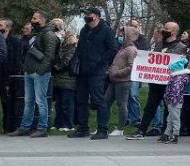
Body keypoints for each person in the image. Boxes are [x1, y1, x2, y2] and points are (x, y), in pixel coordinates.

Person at [128, 21, 185, 140]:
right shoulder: (159, 44)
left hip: (170, 83)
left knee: (169, 108)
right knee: (150, 106)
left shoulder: (181, 47)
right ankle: (142, 130)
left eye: (167, 28)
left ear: (174, 31)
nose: (164, 30)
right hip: (156, 82)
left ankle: (166, 132)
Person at [70, 7, 118, 140]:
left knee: (99, 100)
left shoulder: (106, 30)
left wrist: (99, 61)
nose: (86, 17)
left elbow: (113, 50)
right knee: (81, 100)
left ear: (96, 16)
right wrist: (75, 61)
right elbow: (79, 48)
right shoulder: (84, 30)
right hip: (82, 71)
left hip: (97, 71)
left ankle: (102, 129)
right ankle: (83, 128)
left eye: (88, 14)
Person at [13, 11, 59, 137]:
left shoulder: (49, 34)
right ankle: (25, 127)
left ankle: (42, 128)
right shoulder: (36, 33)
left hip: (39, 73)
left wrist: (40, 71)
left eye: (35, 18)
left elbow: (50, 56)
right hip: (30, 71)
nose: (32, 20)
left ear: (43, 20)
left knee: (41, 101)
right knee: (29, 101)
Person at [104, 25, 140, 137]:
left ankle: (120, 128)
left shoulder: (131, 50)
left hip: (123, 81)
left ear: (129, 35)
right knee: (105, 102)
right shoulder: (122, 49)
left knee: (122, 105)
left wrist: (116, 73)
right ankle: (103, 126)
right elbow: (116, 64)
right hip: (114, 80)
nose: (120, 36)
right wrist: (109, 71)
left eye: (123, 34)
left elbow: (131, 67)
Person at [0, 18, 26, 134]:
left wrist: (12, 77)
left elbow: (17, 60)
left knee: (7, 103)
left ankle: (9, 127)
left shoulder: (16, 42)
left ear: (7, 28)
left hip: (9, 76)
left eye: (0, 25)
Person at [159, 57, 190, 143]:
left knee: (175, 118)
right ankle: (167, 133)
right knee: (170, 118)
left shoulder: (177, 80)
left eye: (170, 69)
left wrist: (170, 101)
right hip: (173, 101)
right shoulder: (176, 78)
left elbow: (175, 92)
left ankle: (175, 134)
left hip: (174, 102)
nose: (169, 71)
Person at [52, 26, 77, 131]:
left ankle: (68, 124)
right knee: (59, 104)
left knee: (67, 104)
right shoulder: (64, 48)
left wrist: (56, 66)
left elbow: (66, 63)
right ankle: (59, 123)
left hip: (68, 80)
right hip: (60, 80)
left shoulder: (71, 48)